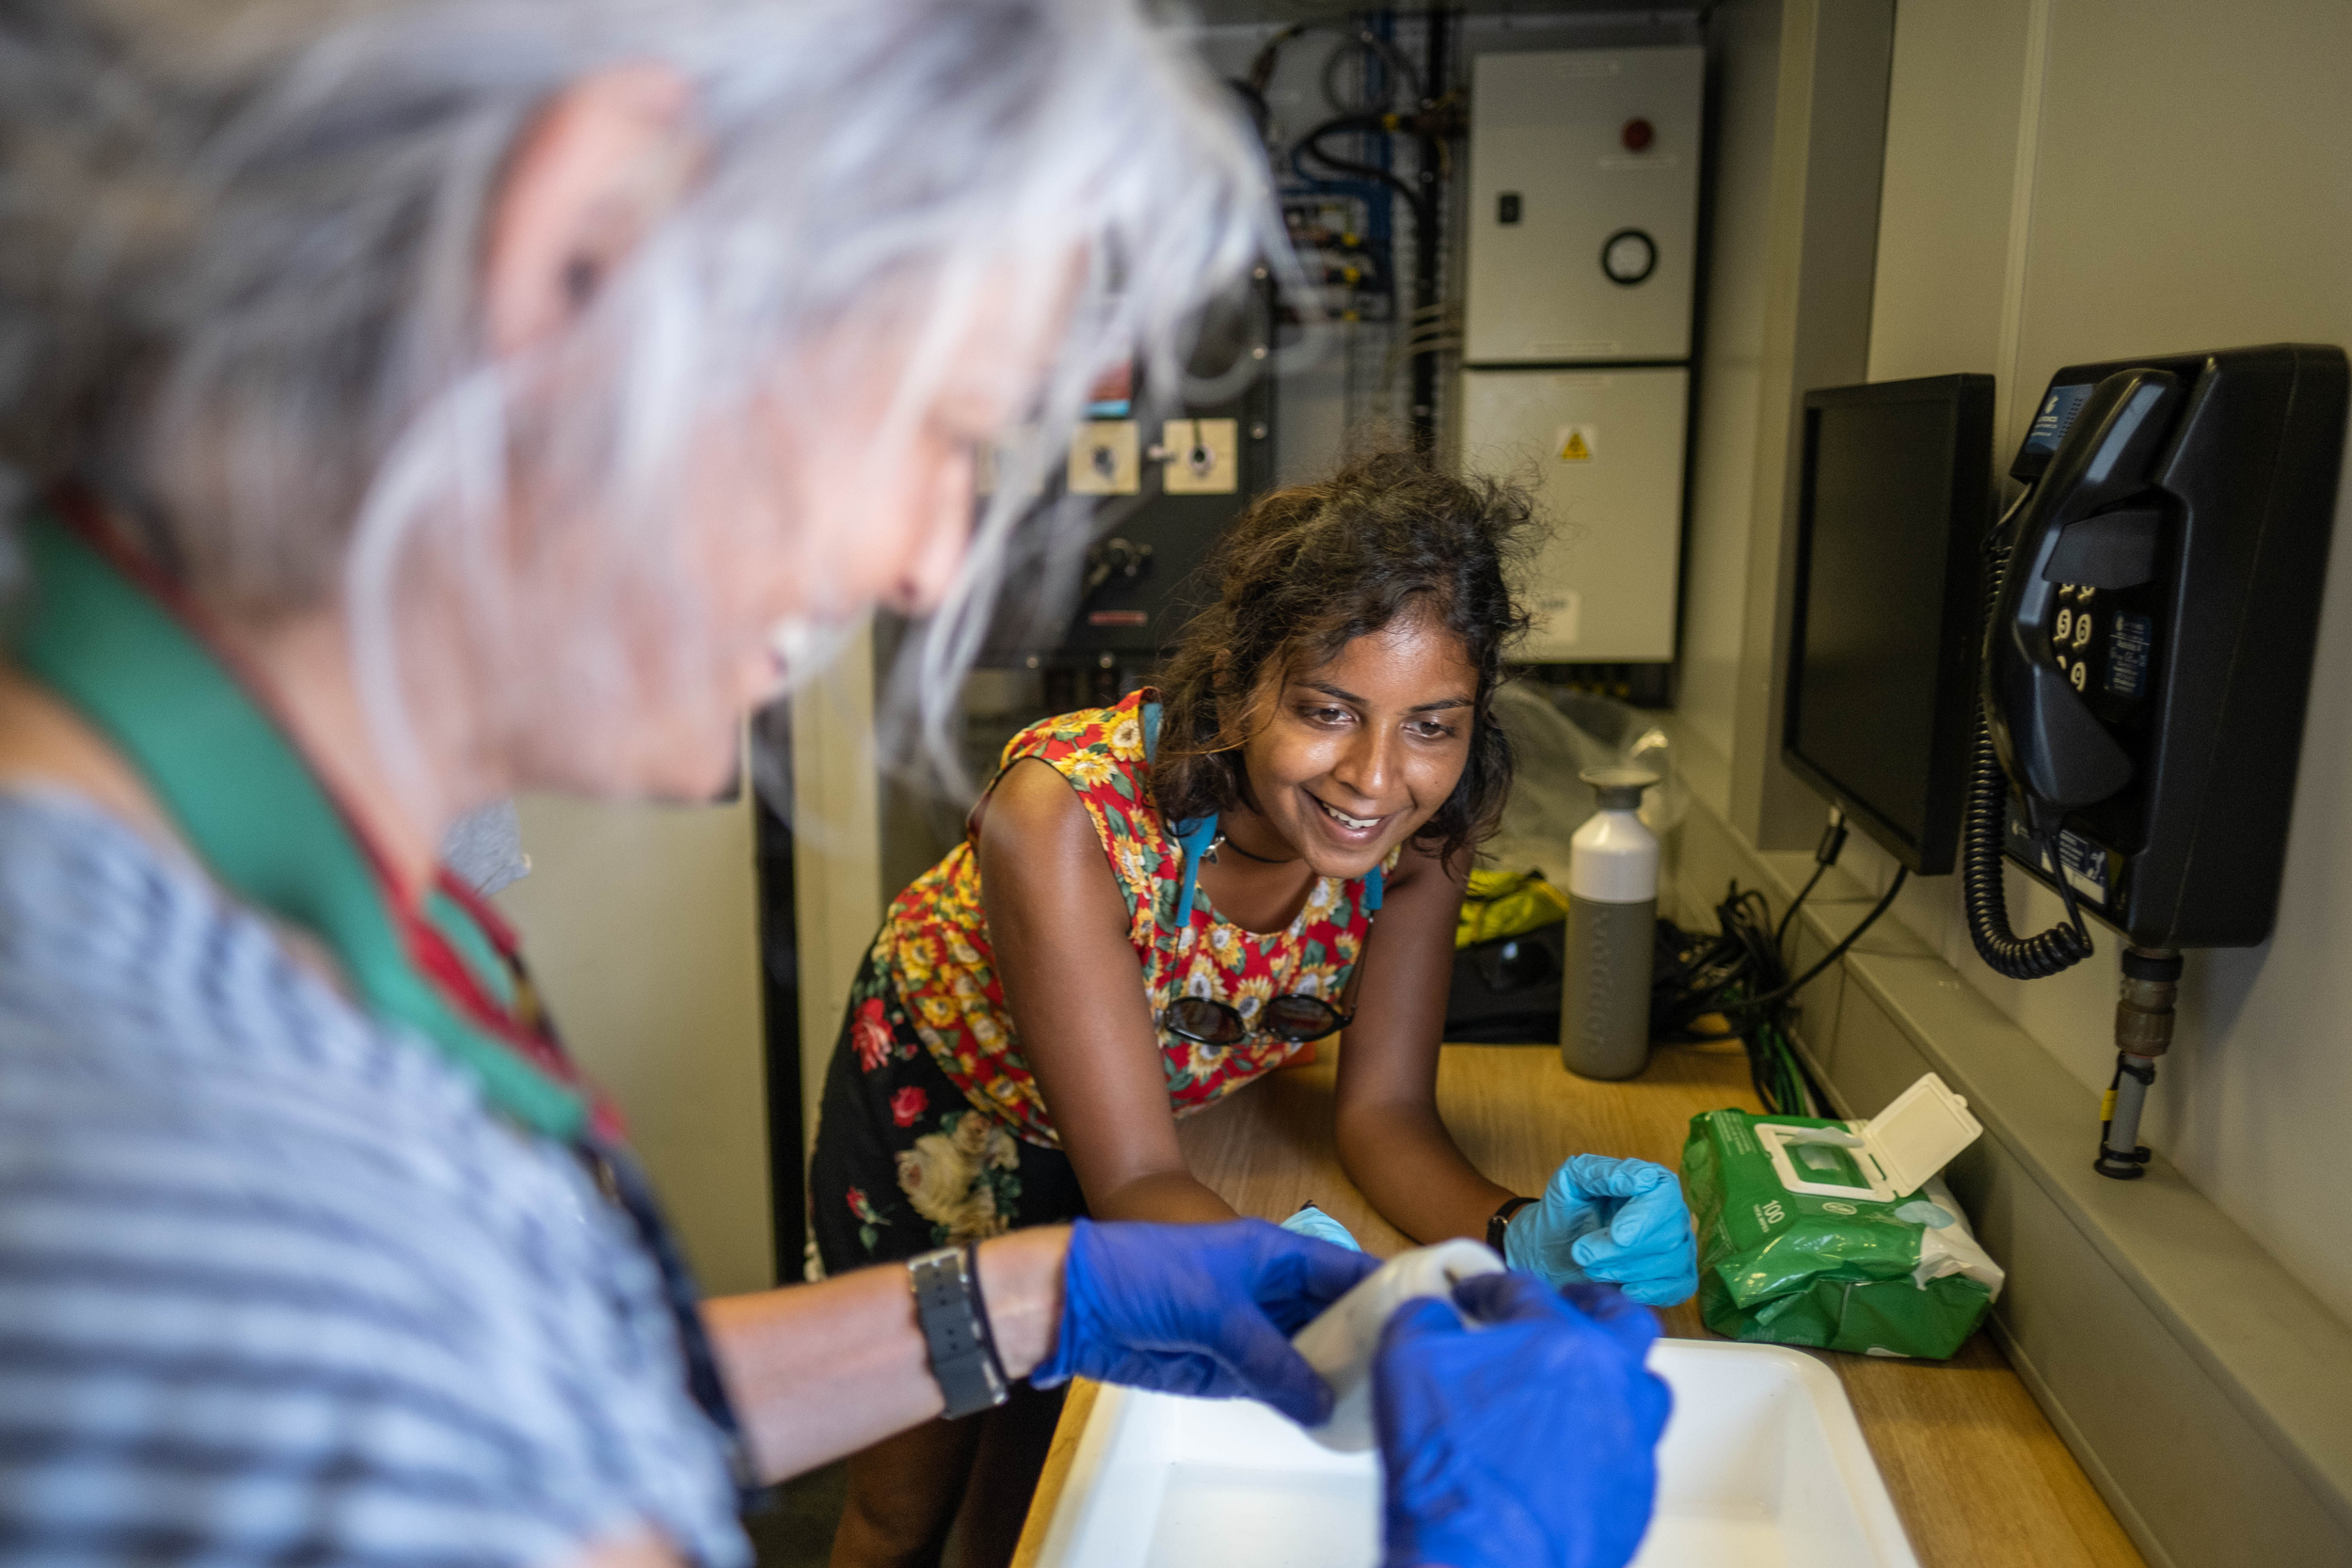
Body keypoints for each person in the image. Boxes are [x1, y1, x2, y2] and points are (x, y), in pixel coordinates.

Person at [0, 3, 1670, 1568]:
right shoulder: (173, 1139)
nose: (928, 561)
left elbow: (576, 1396)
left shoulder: (295, 881)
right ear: (577, 250)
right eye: (937, 428)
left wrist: (1042, 1300)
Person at [808, 450, 1700, 1565]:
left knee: (1030, 1498)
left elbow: (1383, 1114)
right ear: (1235, 687)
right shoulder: (1064, 817)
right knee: (907, 1499)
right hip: (946, 1114)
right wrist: (1367, 1307)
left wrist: (1514, 1234)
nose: (1377, 777)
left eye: (1433, 722)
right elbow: (1133, 1179)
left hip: (1143, 1129)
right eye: (1329, 710)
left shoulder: (1428, 831)